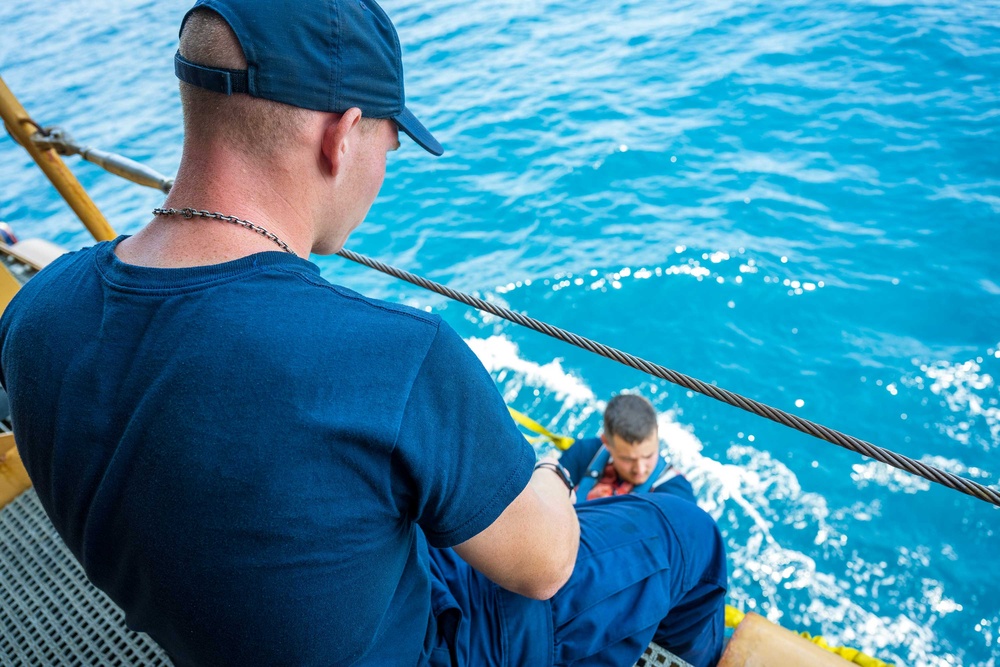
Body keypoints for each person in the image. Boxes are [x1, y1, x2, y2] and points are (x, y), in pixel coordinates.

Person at [0, 1, 727, 666]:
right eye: (391, 142)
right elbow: (547, 564)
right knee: (682, 533)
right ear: (342, 136)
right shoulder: (395, 358)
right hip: (434, 646)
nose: (385, 166)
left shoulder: (35, 317)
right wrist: (547, 475)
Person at [561, 393, 698, 503]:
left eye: (648, 456)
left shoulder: (676, 494)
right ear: (606, 443)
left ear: (657, 436)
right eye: (628, 459)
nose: (640, 469)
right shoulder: (582, 453)